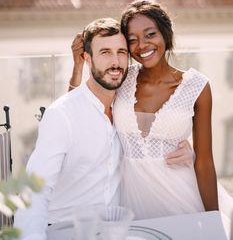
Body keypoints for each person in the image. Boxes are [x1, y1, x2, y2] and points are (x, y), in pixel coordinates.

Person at [14, 17, 191, 240]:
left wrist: (186, 150)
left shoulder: (127, 109)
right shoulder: (62, 115)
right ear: (87, 58)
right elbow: (35, 190)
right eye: (105, 52)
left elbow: (154, 140)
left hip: (115, 230)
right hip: (65, 230)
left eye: (121, 52)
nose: (115, 62)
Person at [69, 1, 221, 220]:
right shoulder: (122, 78)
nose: (142, 45)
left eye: (150, 34)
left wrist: (212, 220)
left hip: (181, 197)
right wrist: (78, 66)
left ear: (166, 35)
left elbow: (205, 162)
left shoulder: (197, 87)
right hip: (130, 203)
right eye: (132, 40)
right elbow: (79, 110)